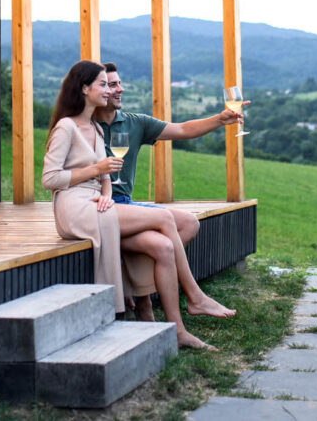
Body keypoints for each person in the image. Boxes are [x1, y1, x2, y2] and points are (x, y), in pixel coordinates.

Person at [43, 60, 213, 349]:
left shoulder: (94, 128)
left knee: (164, 245)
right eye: (103, 84)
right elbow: (50, 179)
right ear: (85, 89)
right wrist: (96, 173)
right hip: (73, 207)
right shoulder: (67, 127)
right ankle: (193, 297)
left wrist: (107, 191)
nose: (110, 90)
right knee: (164, 220)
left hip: (98, 201)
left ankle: (177, 330)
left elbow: (106, 173)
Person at [95, 62, 242, 321]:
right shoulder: (85, 125)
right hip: (99, 208)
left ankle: (142, 294)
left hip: (126, 203)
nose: (120, 89)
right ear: (99, 90)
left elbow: (183, 129)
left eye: (119, 83)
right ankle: (173, 300)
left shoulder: (134, 123)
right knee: (160, 241)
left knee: (189, 224)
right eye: (113, 84)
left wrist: (220, 119)